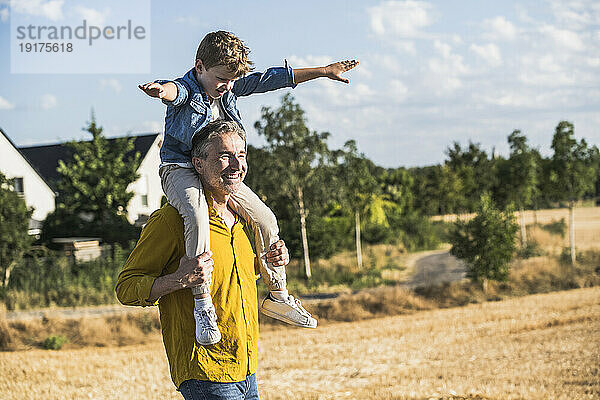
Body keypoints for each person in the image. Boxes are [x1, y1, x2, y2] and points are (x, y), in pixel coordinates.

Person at [138, 30, 358, 345]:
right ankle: (203, 305)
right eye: (220, 80)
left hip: (221, 170)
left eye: (231, 81)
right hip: (182, 168)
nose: (227, 87)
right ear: (199, 67)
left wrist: (323, 71)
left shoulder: (229, 87)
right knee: (197, 216)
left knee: (266, 218)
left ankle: (279, 295)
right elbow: (177, 92)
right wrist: (162, 90)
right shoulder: (188, 87)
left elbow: (271, 78)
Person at [116, 120, 288, 399]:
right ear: (198, 164)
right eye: (224, 156)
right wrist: (177, 280)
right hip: (204, 371)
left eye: (241, 155)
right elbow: (125, 288)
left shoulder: (245, 220)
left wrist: (271, 259)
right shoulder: (172, 220)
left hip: (247, 369)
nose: (236, 165)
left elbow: (240, 275)